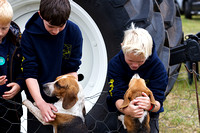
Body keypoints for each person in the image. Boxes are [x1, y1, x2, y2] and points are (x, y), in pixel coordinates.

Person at [21, 0, 83, 132]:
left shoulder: (74, 32)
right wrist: (40, 103)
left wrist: (71, 99)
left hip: (63, 99)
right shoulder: (28, 35)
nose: (56, 31)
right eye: (51, 26)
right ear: (40, 15)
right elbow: (29, 72)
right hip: (38, 97)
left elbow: (72, 70)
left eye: (61, 26)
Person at [106, 24, 168, 133]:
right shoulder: (115, 65)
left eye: (140, 62)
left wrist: (150, 106)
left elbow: (158, 101)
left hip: (149, 113)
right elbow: (115, 95)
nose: (135, 66)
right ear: (122, 47)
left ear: (148, 54)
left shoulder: (158, 68)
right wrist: (126, 109)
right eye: (130, 60)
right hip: (123, 109)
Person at [0, 0, 25, 132]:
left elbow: (23, 69)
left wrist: (19, 85)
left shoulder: (16, 42)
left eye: (4, 28)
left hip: (11, 107)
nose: (0, 33)